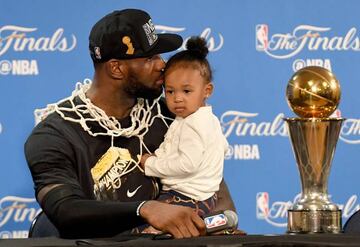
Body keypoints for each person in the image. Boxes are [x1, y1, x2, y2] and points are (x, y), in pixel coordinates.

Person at [25, 9, 235, 239]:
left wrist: (217, 225)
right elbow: (65, 211)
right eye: (150, 58)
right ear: (116, 68)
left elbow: (214, 189)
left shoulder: (172, 114)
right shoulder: (55, 133)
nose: (162, 65)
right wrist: (145, 209)